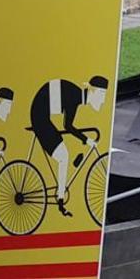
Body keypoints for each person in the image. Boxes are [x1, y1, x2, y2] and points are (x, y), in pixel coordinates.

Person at [29, 77, 107, 214]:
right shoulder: (74, 96)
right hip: (39, 116)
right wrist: (86, 140)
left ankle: (60, 195)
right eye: (101, 95)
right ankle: (60, 198)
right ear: (92, 92)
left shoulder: (75, 95)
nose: (102, 101)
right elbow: (68, 126)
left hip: (43, 114)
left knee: (63, 154)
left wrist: (85, 139)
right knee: (64, 156)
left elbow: (68, 126)